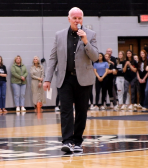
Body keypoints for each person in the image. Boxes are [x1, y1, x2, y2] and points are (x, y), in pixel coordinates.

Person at [43, 7, 98, 152]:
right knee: (65, 111)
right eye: (74, 18)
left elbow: (95, 57)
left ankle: (78, 142)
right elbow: (53, 57)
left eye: (79, 18)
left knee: (81, 112)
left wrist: (86, 42)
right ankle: (67, 141)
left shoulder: (90, 34)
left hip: (83, 80)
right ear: (69, 19)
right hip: (65, 78)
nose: (77, 20)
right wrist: (47, 79)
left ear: (82, 19)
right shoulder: (59, 35)